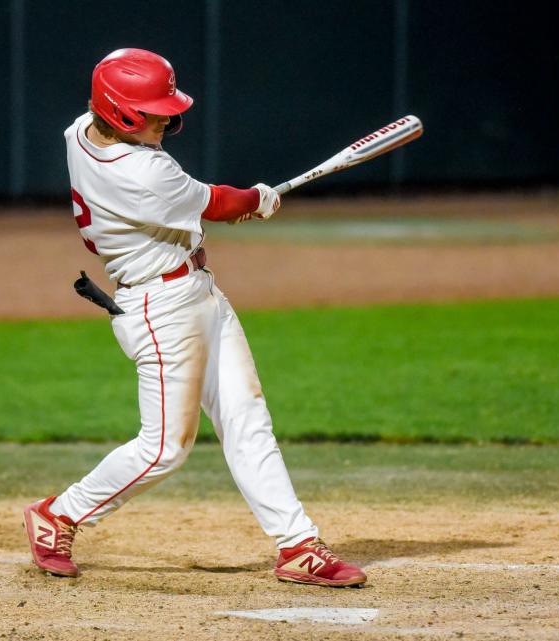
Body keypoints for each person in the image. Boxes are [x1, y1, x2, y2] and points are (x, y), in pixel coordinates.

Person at [23, 48, 367, 588]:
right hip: (160, 310)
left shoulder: (80, 132)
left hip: (197, 291)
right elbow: (222, 204)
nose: (167, 118)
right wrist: (261, 198)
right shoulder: (144, 172)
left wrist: (250, 199)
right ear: (122, 114)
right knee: (164, 448)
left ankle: (298, 546)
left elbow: (210, 203)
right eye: (154, 110)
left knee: (247, 419)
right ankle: (59, 514)